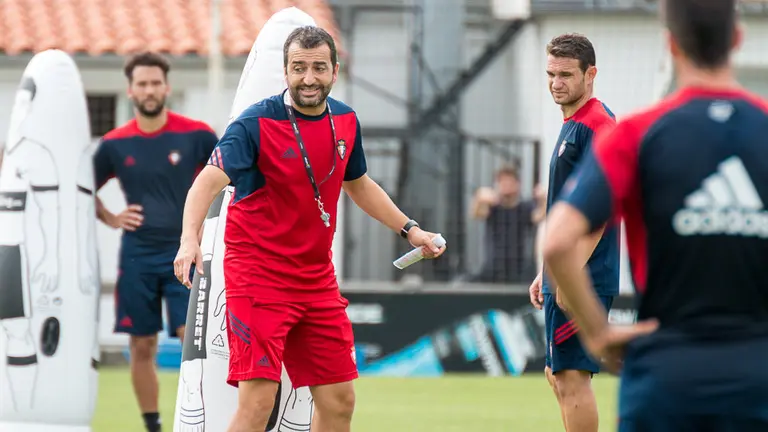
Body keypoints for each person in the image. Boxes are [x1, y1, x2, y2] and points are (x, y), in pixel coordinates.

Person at [173, 26, 445, 432]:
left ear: (335, 71)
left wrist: (410, 230)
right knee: (258, 402)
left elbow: (360, 185)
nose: (309, 78)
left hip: (316, 280)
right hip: (257, 278)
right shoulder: (255, 124)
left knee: (339, 401)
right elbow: (207, 182)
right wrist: (188, 240)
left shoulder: (347, 121)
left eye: (319, 68)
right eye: (299, 68)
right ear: (285, 71)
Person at [543, 0, 768, 430]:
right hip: (755, 371)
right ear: (738, 40)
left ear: (670, 44)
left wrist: (600, 335)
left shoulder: (634, 134)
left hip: (666, 373)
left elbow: (555, 242)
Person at [92, 51, 219, 432]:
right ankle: (154, 425)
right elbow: (82, 188)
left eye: (155, 82)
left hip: (186, 254)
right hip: (137, 257)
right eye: (142, 83)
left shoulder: (196, 135)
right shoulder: (115, 143)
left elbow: (227, 178)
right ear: (131, 90)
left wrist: (208, 231)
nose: (149, 90)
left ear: (167, 86)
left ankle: (198, 419)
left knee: (192, 343)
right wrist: (111, 218)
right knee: (141, 346)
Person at [527, 33, 619, 432]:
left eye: (565, 74)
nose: (555, 83)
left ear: (590, 73)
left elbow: (604, 205)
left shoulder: (598, 124)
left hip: (584, 273)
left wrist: (571, 273)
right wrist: (546, 272)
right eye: (550, 74)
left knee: (571, 377)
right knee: (557, 373)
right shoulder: (573, 124)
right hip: (564, 271)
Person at [470, 165, 545, 283]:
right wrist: (479, 197)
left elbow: (540, 216)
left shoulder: (525, 207)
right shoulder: (492, 207)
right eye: (503, 182)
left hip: (519, 267)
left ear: (517, 184)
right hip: (493, 266)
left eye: (510, 181)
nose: (506, 185)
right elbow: (477, 213)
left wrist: (544, 199)